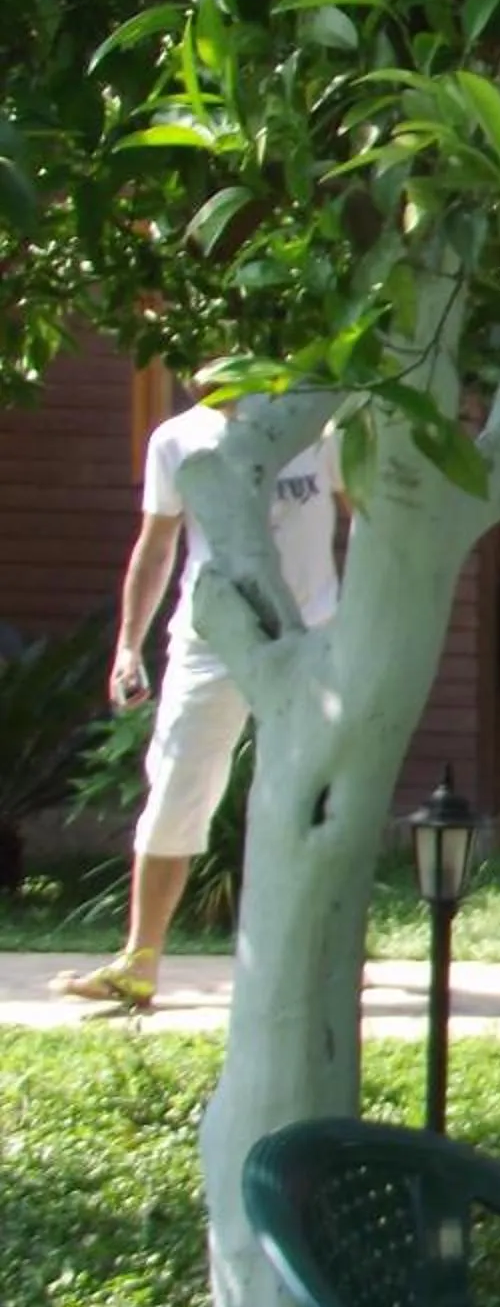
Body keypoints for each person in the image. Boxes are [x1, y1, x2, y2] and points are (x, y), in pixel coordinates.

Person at [55, 392, 340, 1011]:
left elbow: (368, 514)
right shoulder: (177, 438)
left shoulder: (320, 430)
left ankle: (326, 953)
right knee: (177, 788)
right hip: (212, 634)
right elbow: (156, 547)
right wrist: (128, 647)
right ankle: (140, 962)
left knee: (314, 794)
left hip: (309, 633)